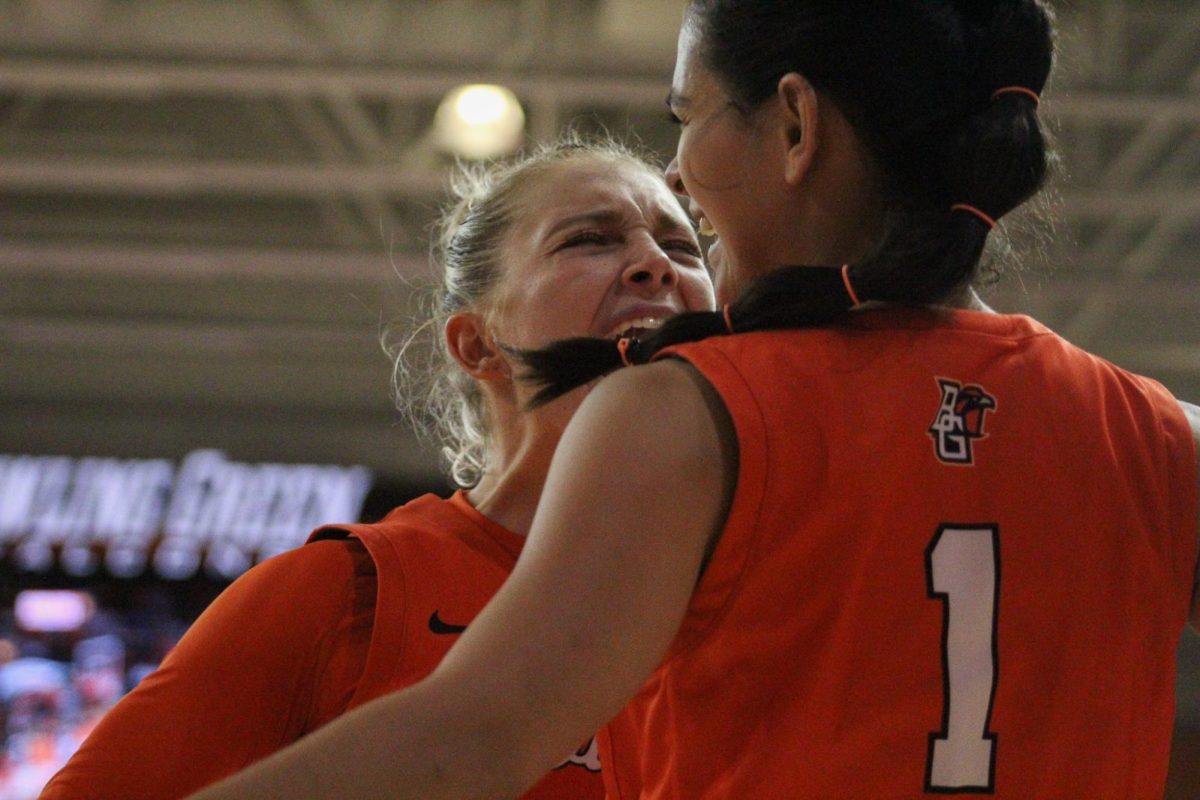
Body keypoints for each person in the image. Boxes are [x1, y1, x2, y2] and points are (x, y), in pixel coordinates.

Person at [187, 1, 1200, 798]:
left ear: (795, 124)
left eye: (688, 115)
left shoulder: (690, 410)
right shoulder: (1165, 438)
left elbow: (470, 740)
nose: (679, 165)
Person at [37, 133, 715, 800]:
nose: (655, 264)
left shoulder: (768, 595)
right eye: (590, 239)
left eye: (683, 246)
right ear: (479, 345)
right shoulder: (348, 593)